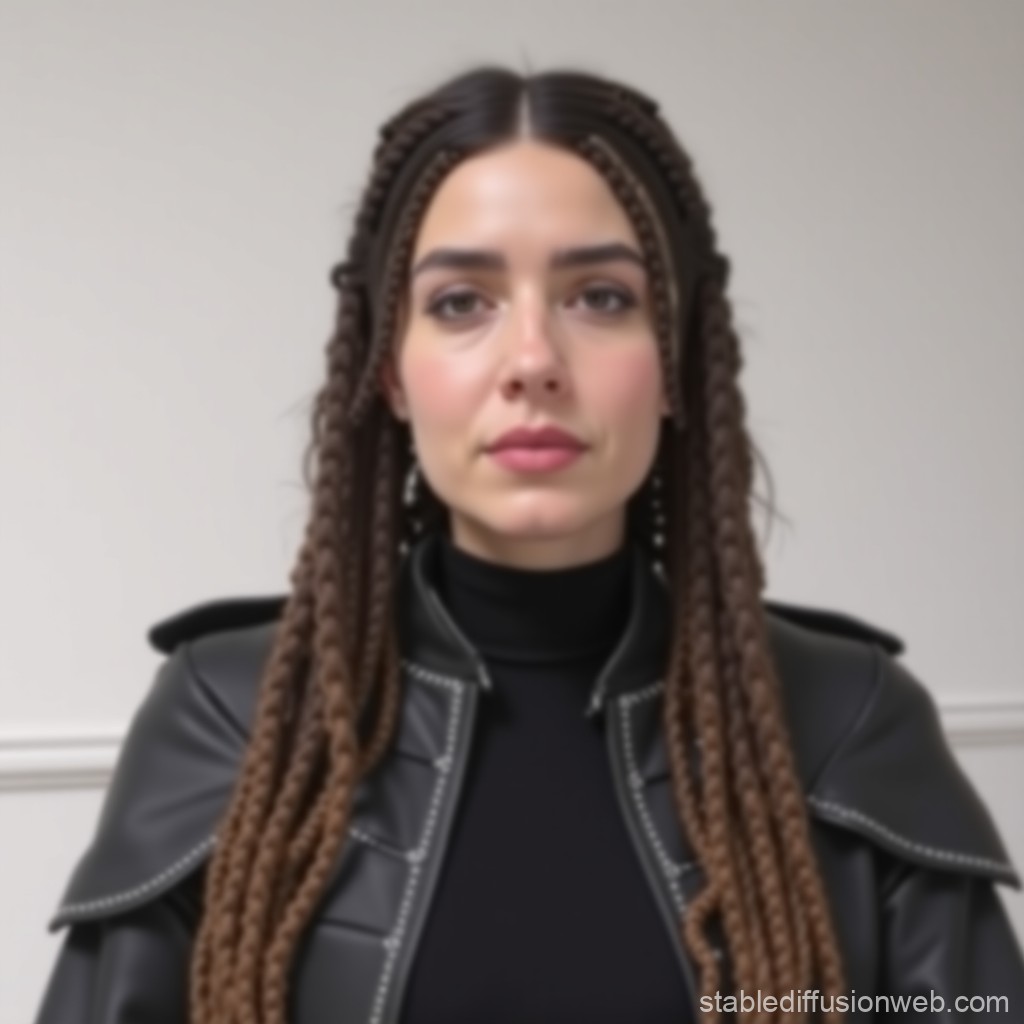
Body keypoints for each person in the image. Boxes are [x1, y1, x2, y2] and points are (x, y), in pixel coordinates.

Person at [32, 64, 1024, 1024]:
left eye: (600, 297)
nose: (534, 361)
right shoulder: (231, 720)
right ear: (389, 372)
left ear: (675, 363)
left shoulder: (848, 723)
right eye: (461, 302)